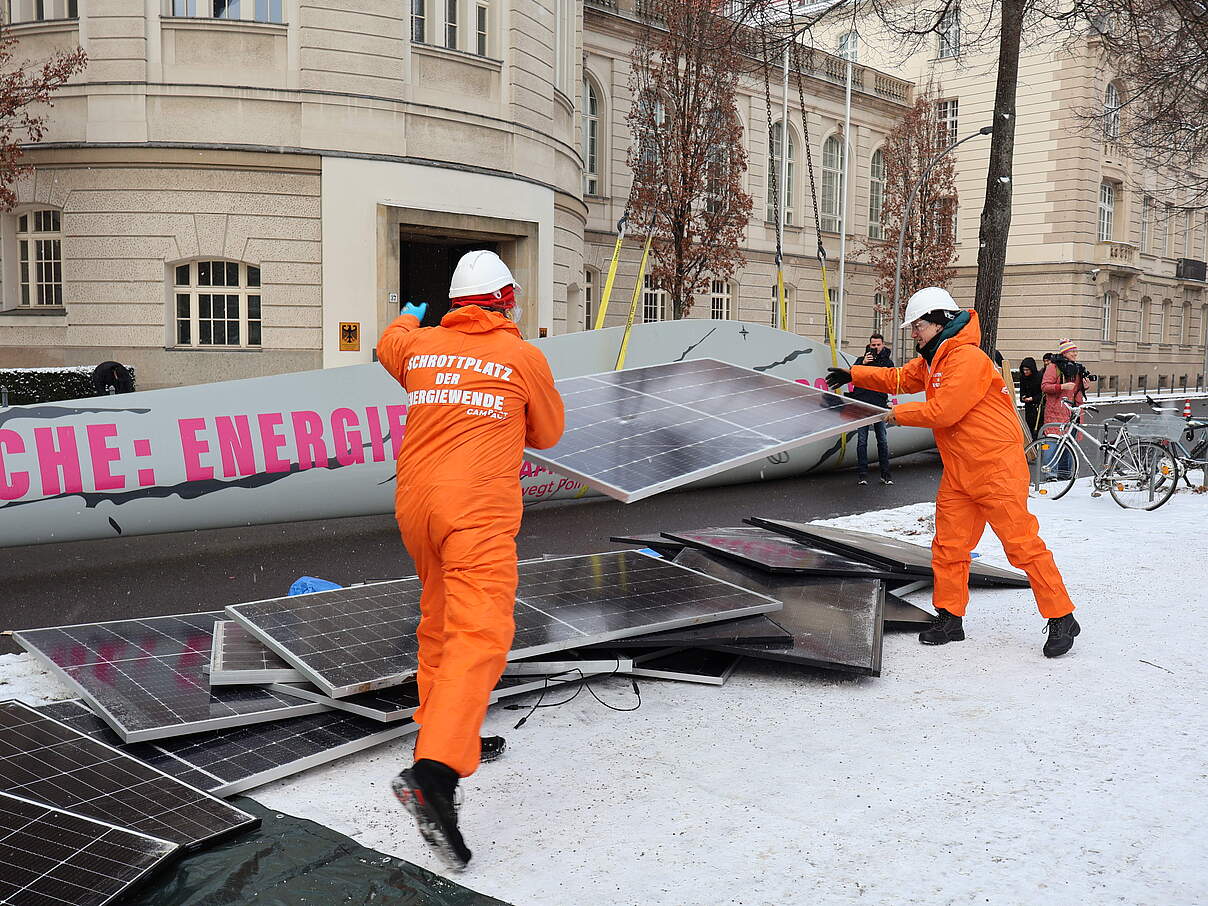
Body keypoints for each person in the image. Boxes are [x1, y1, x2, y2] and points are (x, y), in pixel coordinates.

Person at [376, 250, 565, 870]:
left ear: (456, 303)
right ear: (507, 300)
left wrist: (407, 317)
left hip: (416, 506)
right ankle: (435, 774)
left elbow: (389, 344)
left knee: (438, 620)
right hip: (475, 509)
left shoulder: (421, 347)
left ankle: (442, 728)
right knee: (480, 631)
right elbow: (548, 433)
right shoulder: (521, 357)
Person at [825, 287, 1080, 659]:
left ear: (941, 321)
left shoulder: (967, 360)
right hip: (960, 471)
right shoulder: (934, 359)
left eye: (919, 326)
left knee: (1022, 547)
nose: (914, 333)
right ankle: (949, 618)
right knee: (948, 547)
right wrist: (854, 375)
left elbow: (944, 411)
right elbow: (898, 379)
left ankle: (1062, 616)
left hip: (996, 468)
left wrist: (889, 415)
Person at [848, 333, 894, 486]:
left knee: (882, 440)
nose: (875, 348)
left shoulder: (887, 363)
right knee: (862, 441)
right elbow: (851, 375)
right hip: (862, 405)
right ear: (869, 345)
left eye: (878, 345)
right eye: (873, 345)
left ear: (883, 345)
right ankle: (862, 475)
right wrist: (864, 364)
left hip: (879, 406)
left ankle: (885, 475)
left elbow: (890, 380)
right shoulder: (861, 361)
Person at [1018, 357, 1043, 440]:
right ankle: (1035, 448)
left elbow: (1042, 394)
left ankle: (1042, 449)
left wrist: (1033, 398)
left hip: (1038, 408)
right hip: (1029, 409)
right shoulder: (1023, 378)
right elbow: (1022, 392)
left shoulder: (1039, 377)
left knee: (1040, 432)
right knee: (1032, 431)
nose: (1025, 372)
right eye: (1024, 370)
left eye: (1027, 370)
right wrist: (1023, 397)